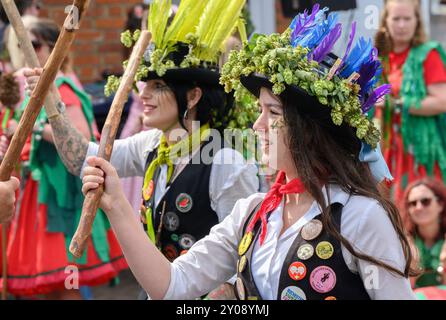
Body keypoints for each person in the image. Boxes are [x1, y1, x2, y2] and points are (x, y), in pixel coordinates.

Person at [80, 4, 418, 300]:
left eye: (273, 113)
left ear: (309, 130)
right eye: (259, 111)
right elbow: (170, 284)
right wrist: (116, 207)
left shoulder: (360, 216)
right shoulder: (254, 213)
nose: (257, 126)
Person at [24, 0, 258, 299]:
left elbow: (242, 257)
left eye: (157, 85)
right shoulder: (152, 144)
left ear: (193, 95)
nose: (143, 94)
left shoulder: (226, 163)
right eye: (144, 84)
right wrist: (52, 104)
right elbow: (82, 158)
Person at [2, 18, 127, 299]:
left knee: (65, 280)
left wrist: (27, 130)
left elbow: (82, 139)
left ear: (53, 49)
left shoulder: (62, 87)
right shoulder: (33, 87)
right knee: (49, 283)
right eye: (24, 45)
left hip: (58, 198)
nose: (28, 51)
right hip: (36, 193)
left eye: (35, 45)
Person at [374, 0, 446, 201]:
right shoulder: (380, 57)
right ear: (386, 21)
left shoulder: (428, 54)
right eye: (396, 18)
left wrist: (395, 104)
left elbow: (441, 102)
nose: (402, 25)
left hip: (419, 152)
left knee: (419, 208)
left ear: (417, 22)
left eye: (407, 19)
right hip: (387, 148)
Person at [401, 178, 446, 289]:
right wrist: (411, 267)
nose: (419, 207)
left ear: (440, 204)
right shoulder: (402, 242)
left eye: (425, 201)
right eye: (412, 203)